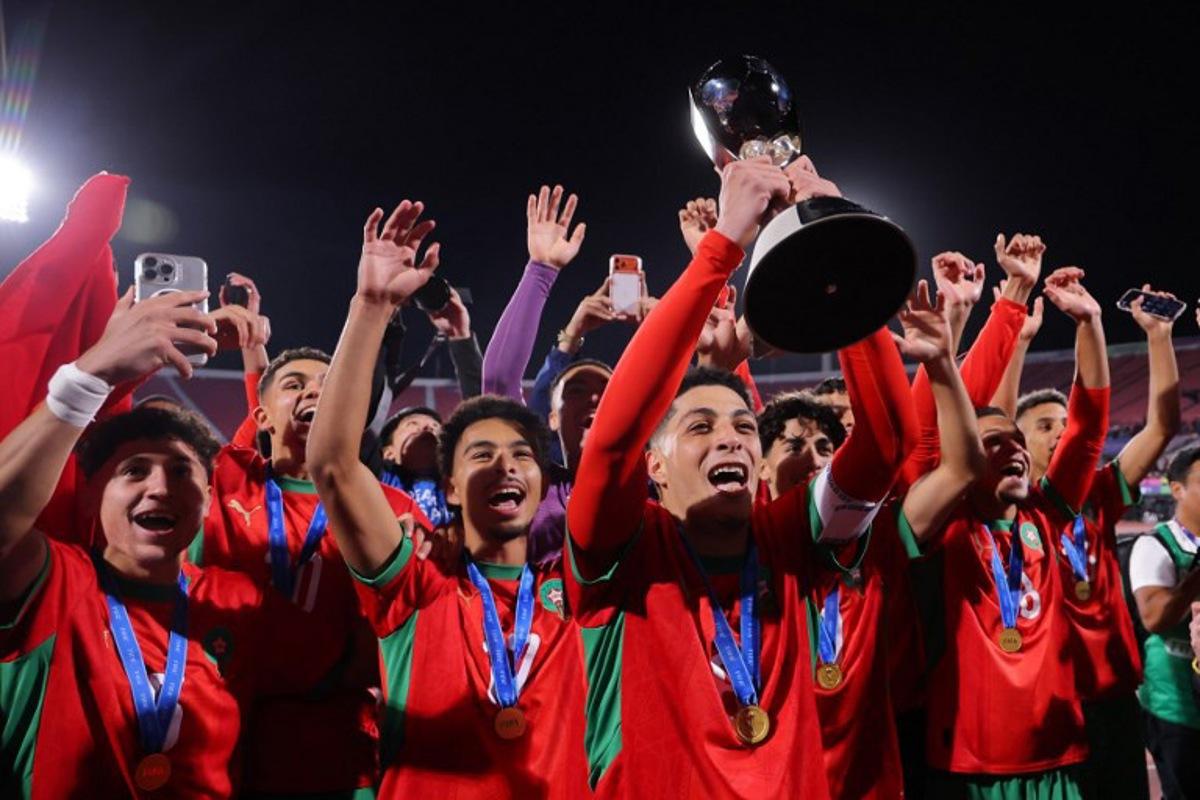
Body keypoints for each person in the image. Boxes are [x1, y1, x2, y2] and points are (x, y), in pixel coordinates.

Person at [564, 155, 919, 798]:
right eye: (699, 428)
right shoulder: (621, 551)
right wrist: (722, 246)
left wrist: (830, 234)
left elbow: (888, 443)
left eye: (743, 427)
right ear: (656, 468)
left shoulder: (791, 537)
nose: (729, 434)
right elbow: (611, 444)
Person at [0, 291, 341, 797]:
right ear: (92, 496)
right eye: (134, 471)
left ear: (208, 500)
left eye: (182, 472)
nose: (160, 488)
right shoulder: (59, 581)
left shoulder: (242, 601)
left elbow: (348, 658)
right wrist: (93, 372)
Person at [307, 199, 589, 798]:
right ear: (451, 486)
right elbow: (332, 464)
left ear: (542, 482)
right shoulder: (415, 587)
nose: (505, 465)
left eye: (520, 455)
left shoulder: (583, 597)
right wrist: (372, 306)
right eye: (480, 455)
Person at [192, 286, 426, 797]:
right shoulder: (226, 479)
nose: (315, 393)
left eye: (328, 384)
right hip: (222, 732)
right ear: (262, 418)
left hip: (341, 741)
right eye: (295, 385)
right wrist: (251, 348)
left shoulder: (391, 508)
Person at [899, 266, 1110, 798]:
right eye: (992, 443)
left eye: (1017, 440)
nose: (1014, 448)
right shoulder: (943, 528)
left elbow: (1087, 431)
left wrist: (1091, 323)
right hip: (971, 765)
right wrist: (947, 358)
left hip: (1058, 753)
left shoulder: (1046, 515)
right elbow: (927, 443)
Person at [1000, 285, 1181, 799]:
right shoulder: (1013, 509)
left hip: (1112, 691)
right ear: (1021, 440)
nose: (1060, 433)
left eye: (1065, 423)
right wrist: (1015, 343)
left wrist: (1159, 337)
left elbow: (1163, 426)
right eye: (1045, 426)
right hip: (1045, 699)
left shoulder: (1100, 491)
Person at [1130, 446, 1200, 800]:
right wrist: (1192, 582)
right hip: (1176, 703)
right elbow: (1155, 617)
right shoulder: (1155, 544)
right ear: (1177, 490)